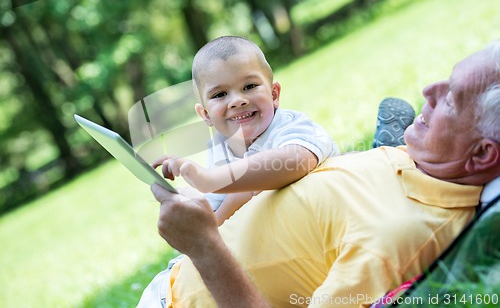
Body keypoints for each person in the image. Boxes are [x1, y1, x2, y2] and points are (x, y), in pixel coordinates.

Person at [141, 41, 500, 308]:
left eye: (453, 98)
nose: (428, 91)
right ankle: (382, 143)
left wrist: (204, 245)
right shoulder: (425, 162)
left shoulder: (395, 237)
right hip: (171, 281)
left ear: (482, 154)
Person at [152, 36, 338, 225]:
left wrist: (210, 181)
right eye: (220, 94)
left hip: (335, 218)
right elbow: (216, 204)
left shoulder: (289, 126)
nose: (237, 100)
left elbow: (296, 161)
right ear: (205, 114)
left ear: (273, 94)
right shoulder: (220, 147)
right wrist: (192, 201)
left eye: (249, 86)